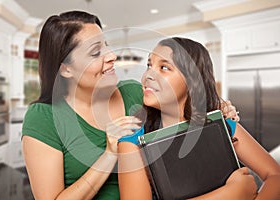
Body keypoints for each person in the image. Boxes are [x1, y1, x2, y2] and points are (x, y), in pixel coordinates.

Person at [22, 10, 239, 199]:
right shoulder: (44, 117)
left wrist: (218, 108)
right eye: (96, 52)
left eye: (106, 45)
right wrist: (109, 155)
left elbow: (185, 106)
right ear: (66, 69)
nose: (112, 56)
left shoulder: (134, 92)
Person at [117, 37, 280, 200]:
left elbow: (275, 176)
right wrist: (230, 194)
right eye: (149, 65)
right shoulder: (132, 143)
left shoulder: (222, 125)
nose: (148, 76)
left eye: (164, 67)